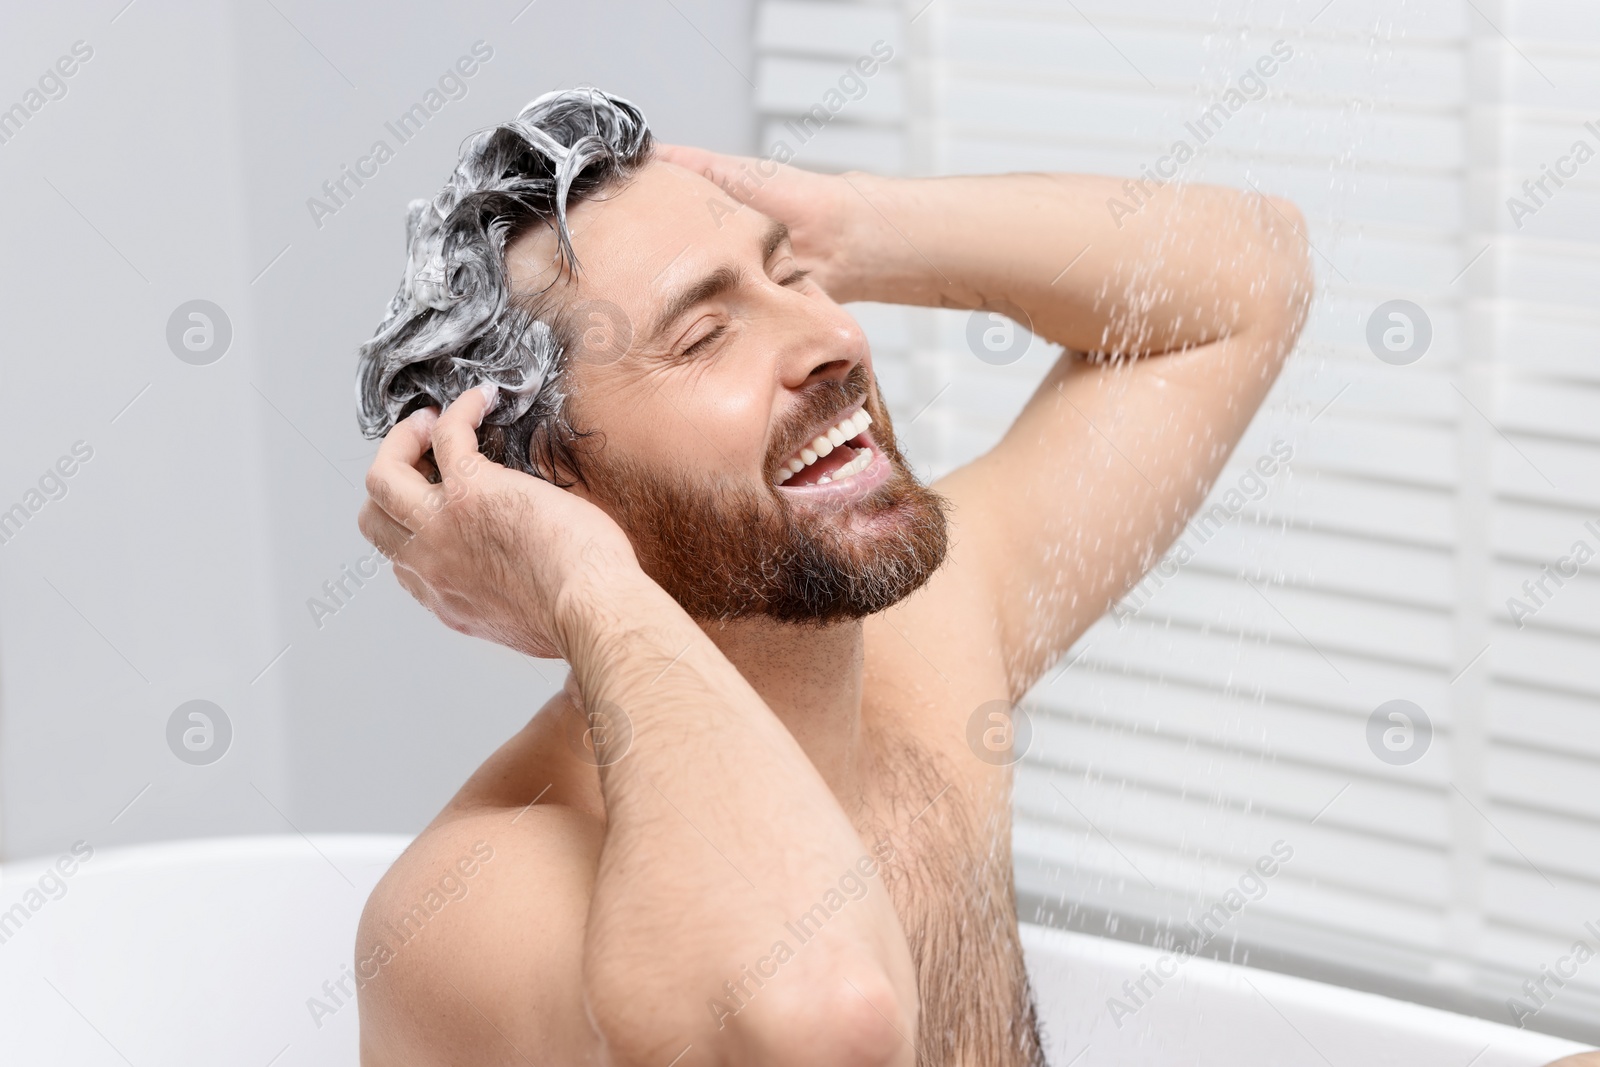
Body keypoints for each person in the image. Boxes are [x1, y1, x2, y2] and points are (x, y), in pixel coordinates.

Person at [350, 86, 1321, 1065]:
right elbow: (820, 1020)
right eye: (704, 336)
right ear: (550, 487)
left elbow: (1249, 278)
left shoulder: (931, 642)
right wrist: (582, 578)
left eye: (790, 277)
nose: (836, 339)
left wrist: (859, 226)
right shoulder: (474, 903)